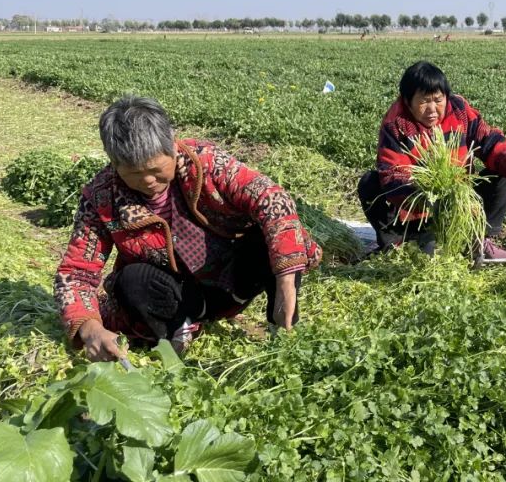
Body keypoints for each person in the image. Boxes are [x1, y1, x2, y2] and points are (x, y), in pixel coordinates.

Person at [54, 96, 321, 362]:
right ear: (114, 164)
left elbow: (271, 199)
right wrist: (90, 330)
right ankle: (178, 331)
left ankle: (282, 326)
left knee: (269, 237)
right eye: (133, 173)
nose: (148, 181)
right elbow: (76, 272)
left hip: (235, 279)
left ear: (172, 145)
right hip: (177, 295)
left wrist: (285, 280)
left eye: (156, 169)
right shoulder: (102, 197)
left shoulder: (205, 163)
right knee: (131, 280)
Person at [357, 61, 506, 263]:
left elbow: (489, 140)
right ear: (407, 101)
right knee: (369, 183)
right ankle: (398, 242)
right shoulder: (397, 124)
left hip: (461, 201)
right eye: (424, 101)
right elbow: (392, 173)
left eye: (438, 100)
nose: (432, 109)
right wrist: (424, 195)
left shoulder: (459, 110)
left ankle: (477, 238)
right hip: (419, 208)